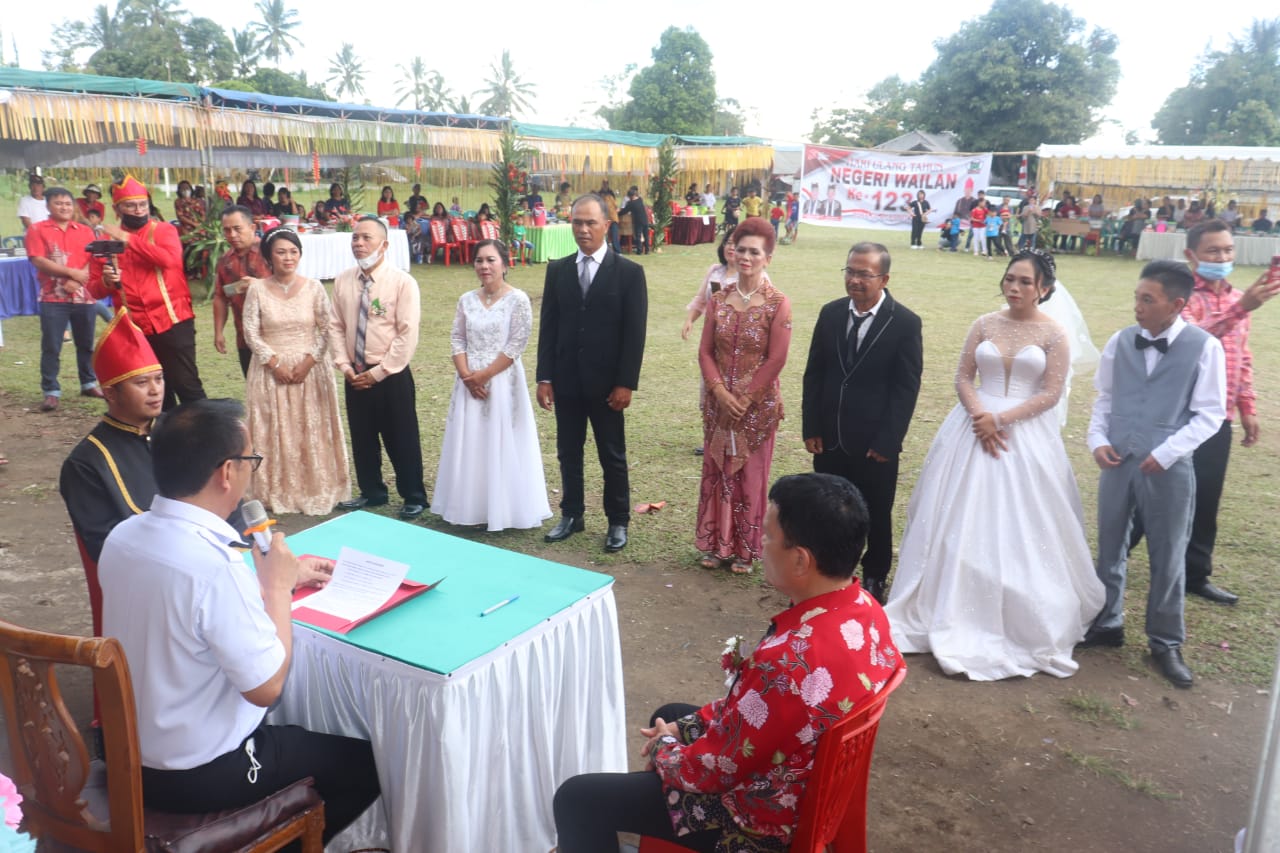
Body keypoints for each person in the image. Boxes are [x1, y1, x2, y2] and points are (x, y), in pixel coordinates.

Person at [552, 472, 902, 853]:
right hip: (805, 775)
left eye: (768, 537)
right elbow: (763, 712)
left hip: (756, 822)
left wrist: (665, 746)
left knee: (578, 798)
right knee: (670, 712)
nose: (759, 544)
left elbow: (707, 772)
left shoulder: (789, 661)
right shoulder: (864, 608)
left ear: (801, 560)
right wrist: (681, 727)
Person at [98, 398, 381, 841]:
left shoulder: (124, 537)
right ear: (227, 472)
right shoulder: (215, 566)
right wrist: (274, 591)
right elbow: (266, 688)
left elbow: (187, 603)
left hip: (124, 752)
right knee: (364, 765)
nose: (252, 470)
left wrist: (271, 578)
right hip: (197, 770)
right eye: (251, 460)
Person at [883, 250, 1105, 679]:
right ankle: (942, 600)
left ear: (1043, 288)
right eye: (1009, 279)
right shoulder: (984, 323)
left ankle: (1013, 609)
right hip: (969, 428)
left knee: (1016, 522)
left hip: (1020, 436)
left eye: (1024, 281)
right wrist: (978, 415)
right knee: (953, 516)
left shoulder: (1054, 333)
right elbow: (963, 376)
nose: (1014, 287)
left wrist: (1000, 419)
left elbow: (1052, 393)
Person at [1083, 261, 1227, 688]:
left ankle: (1165, 640)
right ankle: (1107, 623)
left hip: (1169, 466)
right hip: (1117, 460)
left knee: (1167, 554)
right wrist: (1096, 440)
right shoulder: (1120, 341)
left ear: (1176, 304)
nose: (1138, 307)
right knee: (1110, 546)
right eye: (1136, 297)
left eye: (1148, 299)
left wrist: (1167, 452)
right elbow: (1104, 400)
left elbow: (1210, 415)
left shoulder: (1204, 347)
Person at [1130, 221, 1280, 605]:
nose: (1223, 257)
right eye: (1213, 251)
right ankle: (1113, 557)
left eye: (1228, 250)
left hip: (1219, 417)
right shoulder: (1182, 299)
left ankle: (1196, 575)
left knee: (1206, 497)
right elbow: (1185, 344)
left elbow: (1240, 357)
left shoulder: (1235, 297)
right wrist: (1239, 308)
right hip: (1179, 415)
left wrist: (1247, 405)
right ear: (1191, 255)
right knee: (1154, 493)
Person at [801, 242, 922, 603]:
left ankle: (874, 575)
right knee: (828, 509)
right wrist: (812, 427)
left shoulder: (904, 322)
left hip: (874, 443)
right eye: (850, 271)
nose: (855, 280)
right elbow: (815, 373)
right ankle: (828, 573)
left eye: (864, 274)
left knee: (875, 512)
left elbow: (906, 388)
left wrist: (888, 441)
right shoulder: (831, 313)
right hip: (830, 436)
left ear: (883, 278)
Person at [536, 194, 647, 553]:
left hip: (607, 385)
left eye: (590, 223)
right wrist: (545, 377)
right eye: (577, 223)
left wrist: (625, 382)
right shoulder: (558, 269)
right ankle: (572, 514)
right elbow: (549, 327)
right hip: (566, 379)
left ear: (607, 226)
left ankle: (618, 521)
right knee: (569, 452)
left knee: (611, 454)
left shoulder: (629, 273)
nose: (583, 230)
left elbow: (635, 333)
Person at [433, 239, 551, 531]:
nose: (484, 266)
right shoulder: (467, 300)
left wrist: (484, 376)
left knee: (502, 440)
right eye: (479, 261)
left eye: (490, 260)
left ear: (505, 264)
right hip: (468, 380)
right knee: (470, 439)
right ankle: (469, 505)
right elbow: (458, 338)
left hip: (501, 379)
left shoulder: (518, 299)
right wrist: (466, 376)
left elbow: (516, 345)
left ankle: (504, 509)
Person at [695, 218, 791, 574]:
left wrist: (745, 399)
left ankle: (745, 550)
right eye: (741, 249)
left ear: (768, 256)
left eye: (755, 251)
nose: (746, 257)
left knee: (750, 477)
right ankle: (717, 545)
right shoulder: (719, 299)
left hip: (757, 408)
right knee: (718, 473)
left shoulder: (778, 304)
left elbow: (777, 357)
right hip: (718, 407)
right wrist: (720, 393)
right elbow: (705, 352)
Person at [60, 312, 164, 635]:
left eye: (159, 379)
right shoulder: (85, 463)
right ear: (111, 393)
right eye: (141, 382)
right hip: (141, 591)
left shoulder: (179, 434)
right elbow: (107, 550)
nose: (155, 391)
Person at [242, 228, 351, 515]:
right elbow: (251, 332)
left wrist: (309, 361)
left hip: (311, 371)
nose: (288, 257)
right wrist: (274, 363)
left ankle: (316, 487)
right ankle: (275, 489)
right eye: (280, 252)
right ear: (268, 257)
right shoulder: (256, 289)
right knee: (274, 428)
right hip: (269, 371)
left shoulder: (314, 287)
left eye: (293, 251)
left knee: (310, 428)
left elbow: (327, 328)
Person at [330, 217, 429, 520]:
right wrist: (345, 367)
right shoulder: (343, 280)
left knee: (402, 436)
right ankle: (371, 491)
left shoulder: (402, 282)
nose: (358, 244)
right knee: (362, 436)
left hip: (390, 374)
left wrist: (378, 372)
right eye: (355, 238)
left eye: (366, 238)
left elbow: (406, 333)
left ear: (384, 245)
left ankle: (414, 495)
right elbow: (335, 326)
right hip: (354, 373)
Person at [87, 175, 204, 411]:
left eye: (142, 204)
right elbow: (93, 289)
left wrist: (129, 240)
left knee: (186, 384)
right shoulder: (106, 242)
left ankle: (208, 439)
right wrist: (106, 282)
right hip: (135, 327)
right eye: (130, 205)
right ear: (117, 209)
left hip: (173, 320)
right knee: (155, 391)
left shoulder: (164, 230)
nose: (138, 210)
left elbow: (169, 260)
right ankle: (164, 441)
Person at [26, 187, 102, 412]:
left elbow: (94, 259)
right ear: (48, 206)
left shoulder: (85, 230)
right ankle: (51, 390)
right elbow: (38, 260)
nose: (64, 207)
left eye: (68, 203)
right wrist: (71, 273)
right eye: (58, 203)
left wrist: (78, 281)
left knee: (86, 344)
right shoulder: (37, 229)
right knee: (52, 345)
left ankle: (88, 383)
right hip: (52, 297)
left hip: (84, 296)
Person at [212, 205, 268, 378]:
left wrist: (259, 286)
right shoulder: (225, 261)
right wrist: (218, 332)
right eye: (227, 230)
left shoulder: (271, 253)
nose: (232, 235)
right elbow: (220, 297)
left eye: (237, 229)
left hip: (274, 336)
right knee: (253, 388)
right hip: (244, 339)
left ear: (252, 228)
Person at [620, 186, 650, 255]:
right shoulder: (640, 199)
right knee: (646, 235)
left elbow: (624, 211)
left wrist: (617, 214)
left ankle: (639, 251)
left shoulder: (631, 204)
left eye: (629, 196)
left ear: (631, 196)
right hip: (645, 219)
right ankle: (647, 250)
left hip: (638, 221)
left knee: (638, 236)